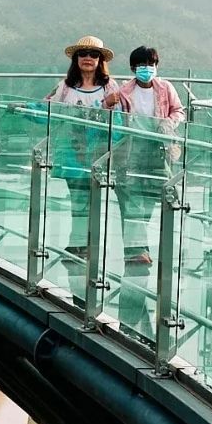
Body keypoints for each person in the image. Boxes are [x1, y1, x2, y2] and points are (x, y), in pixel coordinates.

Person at [103, 46, 186, 338]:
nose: (146, 68)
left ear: (156, 66)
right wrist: (108, 103)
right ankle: (136, 251)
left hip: (159, 151)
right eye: (140, 64)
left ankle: (140, 249)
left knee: (151, 197)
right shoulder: (123, 91)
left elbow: (179, 110)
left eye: (149, 64)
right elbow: (106, 115)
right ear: (133, 68)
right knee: (129, 198)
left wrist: (167, 123)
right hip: (130, 152)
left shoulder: (165, 88)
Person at [46, 35, 122, 265]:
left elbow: (118, 121)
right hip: (72, 153)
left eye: (93, 54)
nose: (88, 58)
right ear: (76, 58)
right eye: (83, 54)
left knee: (91, 200)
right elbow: (48, 107)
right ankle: (79, 243)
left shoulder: (110, 87)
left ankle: (84, 244)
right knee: (78, 200)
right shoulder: (66, 87)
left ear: (100, 60)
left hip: (98, 152)